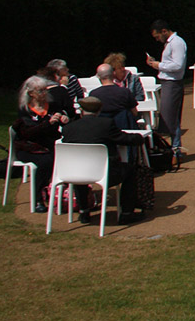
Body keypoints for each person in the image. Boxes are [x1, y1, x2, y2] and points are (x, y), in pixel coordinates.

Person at [59, 95, 148, 225]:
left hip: (74, 173)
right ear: (99, 110)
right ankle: (127, 213)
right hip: (105, 173)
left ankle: (84, 211)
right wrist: (139, 137)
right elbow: (124, 139)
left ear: (81, 111)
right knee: (130, 170)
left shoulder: (69, 129)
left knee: (80, 169)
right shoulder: (106, 124)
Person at [12, 75, 69, 213]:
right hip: (30, 147)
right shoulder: (25, 111)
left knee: (66, 157)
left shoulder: (52, 106)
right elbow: (28, 133)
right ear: (31, 93)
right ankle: (38, 197)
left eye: (45, 90)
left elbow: (63, 117)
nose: (44, 94)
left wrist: (63, 118)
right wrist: (47, 124)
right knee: (46, 162)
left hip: (50, 145)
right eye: (40, 91)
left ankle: (62, 194)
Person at [146, 20, 187, 153]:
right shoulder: (171, 43)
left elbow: (177, 65)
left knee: (171, 117)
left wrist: (159, 65)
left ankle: (175, 150)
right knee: (168, 117)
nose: (157, 40)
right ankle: (173, 148)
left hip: (173, 83)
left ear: (164, 31)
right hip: (167, 82)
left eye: (157, 36)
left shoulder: (177, 43)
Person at [89, 63, 141, 130]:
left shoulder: (93, 94)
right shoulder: (125, 92)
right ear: (113, 74)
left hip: (102, 130)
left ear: (98, 77)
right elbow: (135, 112)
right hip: (124, 130)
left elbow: (91, 116)